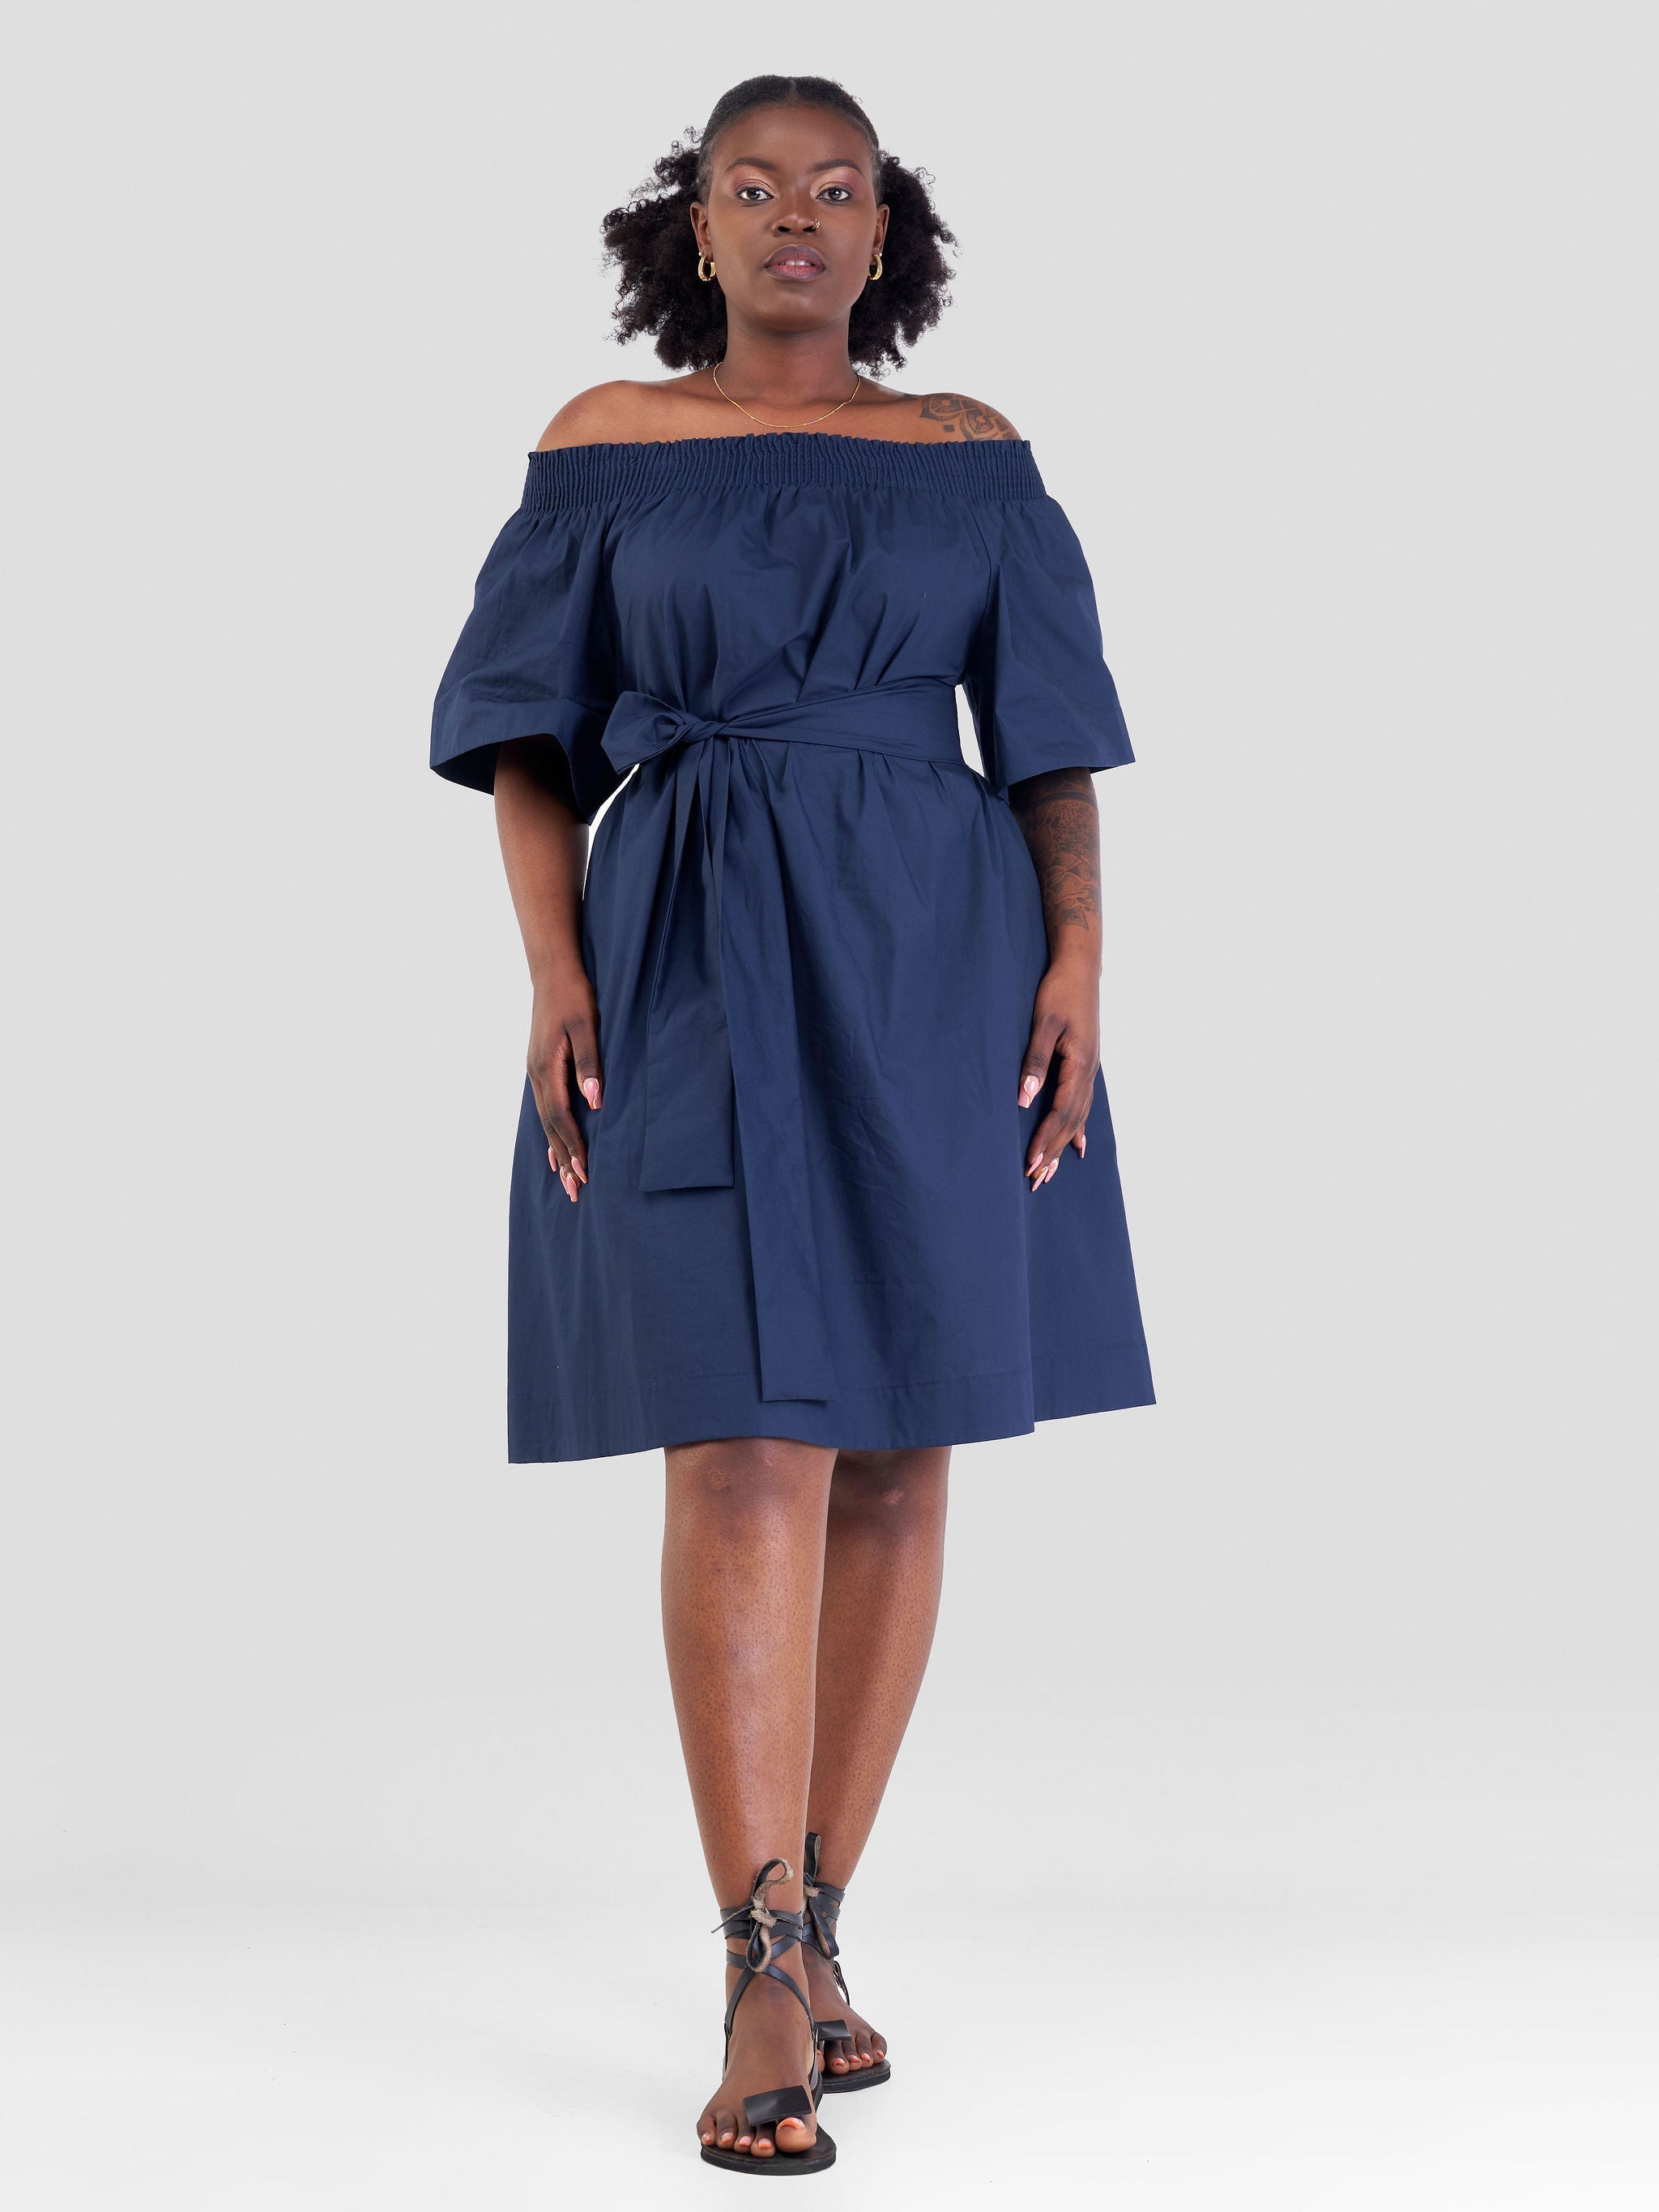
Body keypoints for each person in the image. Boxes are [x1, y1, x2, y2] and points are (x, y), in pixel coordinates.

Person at [431, 72, 1154, 2175]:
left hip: (938, 956)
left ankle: (825, 1927)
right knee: (740, 1429)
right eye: (754, 187)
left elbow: (1048, 747)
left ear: (883, 229)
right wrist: (554, 970)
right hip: (688, 951)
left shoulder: (975, 457)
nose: (795, 218)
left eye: (835, 188)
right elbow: (525, 746)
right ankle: (755, 1963)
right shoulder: (603, 445)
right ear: (698, 223)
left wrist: (1078, 958)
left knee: (904, 1442)